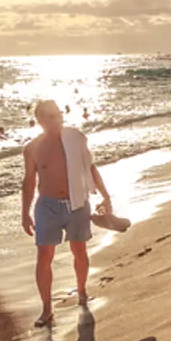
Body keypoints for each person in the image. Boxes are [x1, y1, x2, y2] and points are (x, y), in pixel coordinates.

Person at [22, 99, 113, 327]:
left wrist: (105, 195)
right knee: (44, 257)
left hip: (77, 203)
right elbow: (29, 181)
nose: (55, 120)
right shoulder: (33, 148)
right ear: (40, 120)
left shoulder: (74, 139)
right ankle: (46, 309)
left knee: (79, 251)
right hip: (48, 205)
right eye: (49, 117)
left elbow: (90, 167)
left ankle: (82, 291)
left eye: (58, 115)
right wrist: (24, 212)